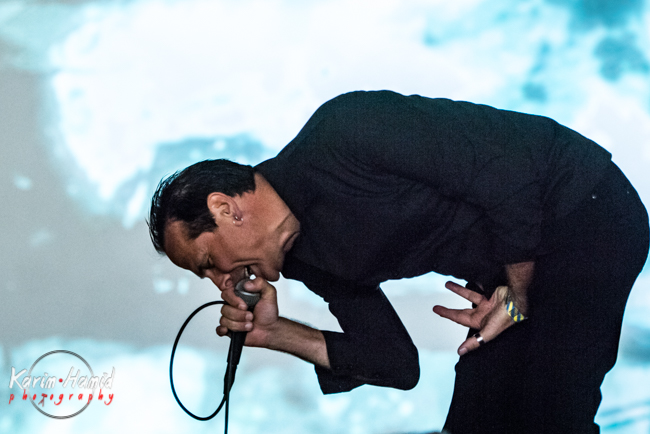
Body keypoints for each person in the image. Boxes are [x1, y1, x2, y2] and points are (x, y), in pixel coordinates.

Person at [148, 90, 649, 433]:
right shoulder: (304, 258)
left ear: (225, 209)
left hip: (584, 207)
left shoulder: (344, 129)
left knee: (549, 411)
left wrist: (517, 295)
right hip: (512, 274)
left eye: (208, 262)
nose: (218, 281)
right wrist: (275, 333)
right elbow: (394, 363)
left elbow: (509, 175)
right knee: (476, 419)